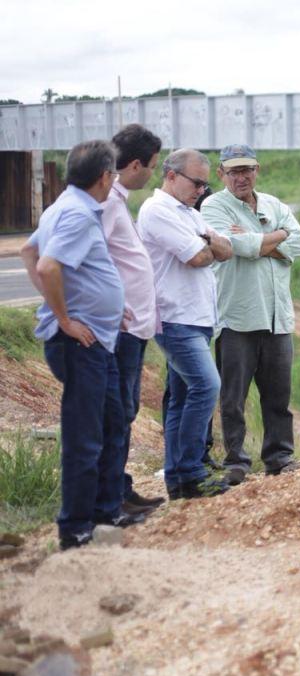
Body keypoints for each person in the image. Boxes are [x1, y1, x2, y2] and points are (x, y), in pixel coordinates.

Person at [19, 140, 137, 550]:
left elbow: (28, 250)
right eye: (114, 174)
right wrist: (65, 318)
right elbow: (47, 265)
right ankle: (75, 527)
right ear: (105, 176)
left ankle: (106, 509)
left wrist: (103, 307)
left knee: (113, 420)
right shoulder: (77, 215)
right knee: (85, 434)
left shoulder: (64, 207)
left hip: (97, 339)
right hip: (79, 344)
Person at [200, 144, 300, 485]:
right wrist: (276, 239)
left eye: (247, 170)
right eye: (233, 171)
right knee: (233, 398)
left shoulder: (274, 203)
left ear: (257, 169)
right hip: (238, 316)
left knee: (278, 395)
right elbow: (235, 247)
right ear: (221, 174)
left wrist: (259, 242)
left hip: (277, 316)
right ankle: (236, 461)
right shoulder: (214, 206)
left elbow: (298, 245)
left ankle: (279, 457)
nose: (241, 177)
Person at [139, 148, 233, 499]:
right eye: (197, 183)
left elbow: (226, 249)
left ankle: (178, 479)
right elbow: (198, 257)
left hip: (196, 317)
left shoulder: (187, 212)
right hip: (174, 316)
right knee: (207, 386)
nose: (201, 191)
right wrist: (208, 244)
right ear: (172, 175)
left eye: (205, 185)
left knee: (180, 399)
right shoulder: (157, 211)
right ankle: (192, 472)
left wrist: (208, 243)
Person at [101, 124, 167, 516]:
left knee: (125, 411)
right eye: (153, 167)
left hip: (134, 328)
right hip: (121, 328)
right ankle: (111, 499)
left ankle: (119, 489)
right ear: (137, 164)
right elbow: (92, 260)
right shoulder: (108, 201)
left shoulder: (117, 199)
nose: (153, 174)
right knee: (117, 414)